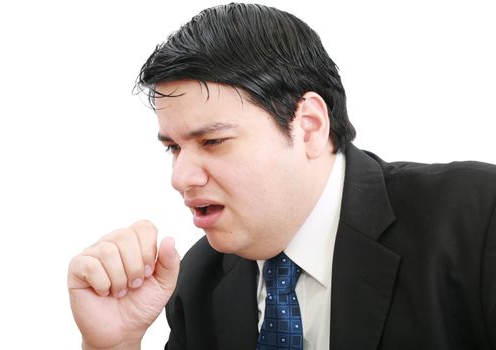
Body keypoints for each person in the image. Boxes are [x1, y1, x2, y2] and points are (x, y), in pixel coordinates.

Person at [67, 3, 496, 349]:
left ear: (308, 125)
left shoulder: (477, 220)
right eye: (173, 148)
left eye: (213, 142)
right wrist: (114, 344)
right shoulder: (198, 279)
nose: (181, 177)